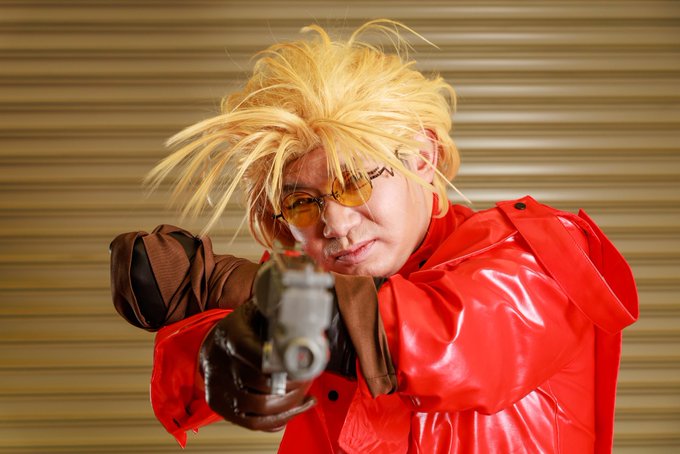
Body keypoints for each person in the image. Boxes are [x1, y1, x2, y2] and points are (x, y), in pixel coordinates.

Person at [109, 20, 638, 453]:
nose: (335, 226)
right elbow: (192, 384)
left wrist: (230, 283)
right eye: (302, 202)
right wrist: (199, 324)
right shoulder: (313, 286)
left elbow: (441, 340)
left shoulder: (538, 257)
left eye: (354, 181)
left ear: (423, 158)